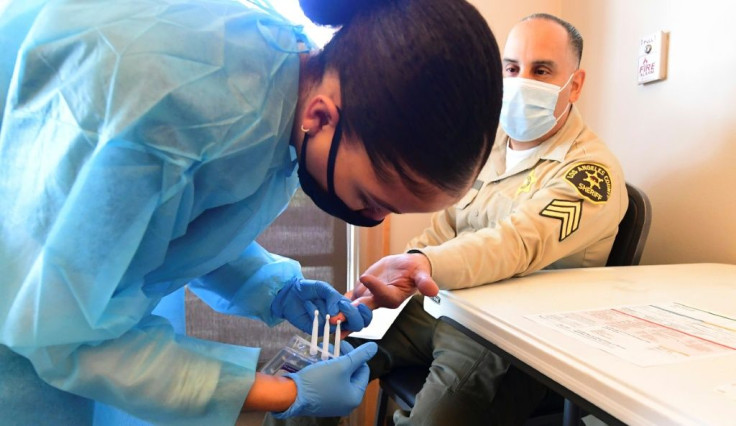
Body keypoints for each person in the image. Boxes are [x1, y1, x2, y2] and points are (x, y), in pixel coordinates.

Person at [0, 0, 502, 425]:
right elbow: (61, 334)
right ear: (321, 117)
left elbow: (162, 221)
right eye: (373, 200)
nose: (372, 218)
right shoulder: (163, 113)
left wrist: (276, 287)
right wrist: (283, 393)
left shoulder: (280, 76)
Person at [266, 13, 627, 426]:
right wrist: (399, 276)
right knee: (309, 372)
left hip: (501, 334)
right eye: (512, 68)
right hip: (439, 304)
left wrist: (423, 265)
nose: (522, 80)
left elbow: (516, 244)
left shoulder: (591, 173)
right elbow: (443, 229)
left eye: (542, 70)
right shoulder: (488, 151)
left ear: (575, 84)